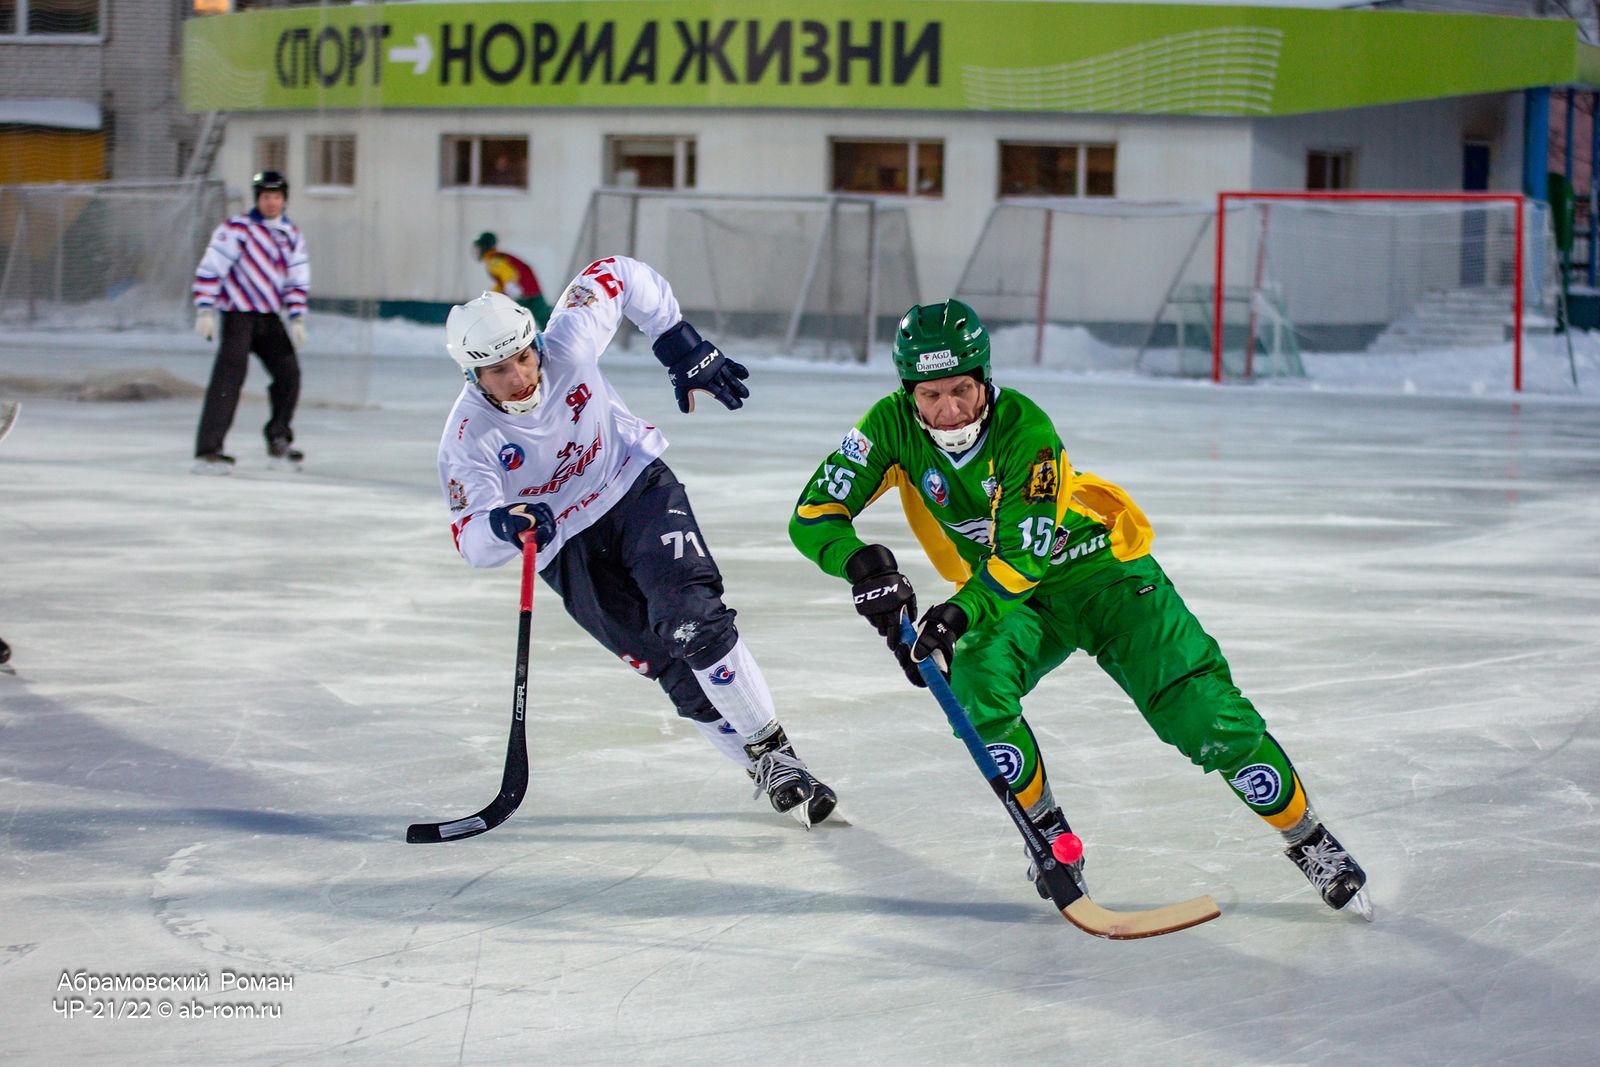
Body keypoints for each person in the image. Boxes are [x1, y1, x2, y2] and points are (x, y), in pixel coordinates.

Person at [789, 299, 1370, 914]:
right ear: (909, 391)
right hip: (1017, 602)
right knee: (976, 683)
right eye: (931, 395)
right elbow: (812, 514)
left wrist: (954, 618)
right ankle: (1048, 835)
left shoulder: (1026, 430)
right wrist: (862, 566)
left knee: (1200, 711)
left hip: (1104, 577)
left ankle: (1310, 838)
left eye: (962, 390)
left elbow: (1022, 560)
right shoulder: (889, 425)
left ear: (984, 379)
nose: (949, 410)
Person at [437, 256, 836, 827]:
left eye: (524, 356)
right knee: (669, 666)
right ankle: (772, 769)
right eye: (499, 370)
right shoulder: (467, 436)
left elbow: (618, 274)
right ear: (472, 376)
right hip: (567, 545)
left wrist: (676, 340)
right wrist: (504, 524)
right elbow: (471, 540)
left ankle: (776, 755)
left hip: (633, 488)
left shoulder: (568, 344)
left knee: (691, 620)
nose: (521, 376)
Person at [191, 169, 310, 474]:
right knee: (228, 380)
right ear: (257, 198)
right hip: (238, 315)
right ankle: (209, 450)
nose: (271, 202)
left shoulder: (290, 234)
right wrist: (205, 308)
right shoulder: (237, 229)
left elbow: (297, 277)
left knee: (289, 374)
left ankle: (279, 439)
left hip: (269, 318)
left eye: (277, 197)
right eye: (266, 197)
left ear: (284, 199)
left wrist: (297, 316)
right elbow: (212, 266)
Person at [472, 232, 551, 329]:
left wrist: (510, 285)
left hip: (521, 294)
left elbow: (507, 273)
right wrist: (493, 293)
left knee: (514, 322)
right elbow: (502, 283)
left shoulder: (494, 261)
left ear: (485, 246)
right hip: (533, 290)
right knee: (544, 318)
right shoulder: (499, 257)